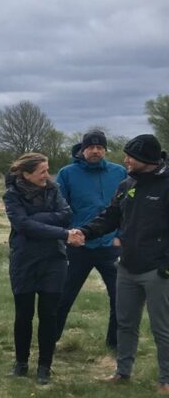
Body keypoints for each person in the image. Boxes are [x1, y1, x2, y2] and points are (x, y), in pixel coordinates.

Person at [70, 135, 169, 393]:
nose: (125, 160)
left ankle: (166, 379)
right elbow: (110, 216)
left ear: (147, 159)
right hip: (126, 266)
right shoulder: (127, 184)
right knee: (125, 323)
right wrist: (84, 232)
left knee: (162, 328)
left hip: (157, 270)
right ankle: (123, 372)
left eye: (130, 157)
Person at [3, 153, 72, 384]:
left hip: (54, 259)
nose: (47, 175)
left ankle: (45, 366)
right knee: (23, 314)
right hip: (24, 261)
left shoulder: (54, 190)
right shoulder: (12, 195)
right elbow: (22, 225)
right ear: (26, 174)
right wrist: (61, 232)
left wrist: (36, 219)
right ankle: (21, 363)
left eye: (47, 170)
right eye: (42, 171)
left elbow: (67, 215)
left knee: (48, 314)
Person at [54, 131, 126, 349]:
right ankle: (50, 339)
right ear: (82, 149)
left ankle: (114, 343)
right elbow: (58, 207)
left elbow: (127, 208)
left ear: (105, 150)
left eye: (100, 147)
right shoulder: (67, 174)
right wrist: (68, 235)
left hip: (109, 246)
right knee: (63, 296)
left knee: (119, 298)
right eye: (91, 147)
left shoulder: (119, 172)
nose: (95, 151)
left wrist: (120, 237)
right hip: (78, 246)